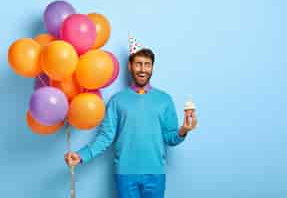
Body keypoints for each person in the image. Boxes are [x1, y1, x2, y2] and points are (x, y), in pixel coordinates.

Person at [64, 36, 197, 198]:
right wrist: (82, 155)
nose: (143, 69)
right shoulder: (117, 100)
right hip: (125, 174)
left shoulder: (164, 100)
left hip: (155, 173)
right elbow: (106, 137)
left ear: (152, 68)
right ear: (130, 66)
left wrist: (183, 130)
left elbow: (171, 138)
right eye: (138, 64)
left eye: (147, 65)